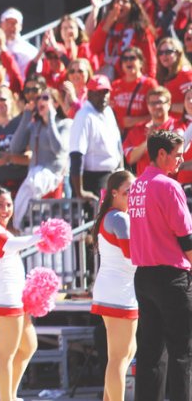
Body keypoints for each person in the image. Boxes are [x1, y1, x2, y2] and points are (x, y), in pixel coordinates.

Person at [129, 129, 192, 401]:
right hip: (171, 277)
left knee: (151, 353)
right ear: (161, 154)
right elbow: (186, 238)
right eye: (177, 155)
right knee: (182, 351)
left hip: (144, 276)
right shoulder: (168, 185)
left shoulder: (136, 186)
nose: (181, 160)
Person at [0, 188, 39, 401]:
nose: (5, 209)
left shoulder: (3, 229)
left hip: (15, 298)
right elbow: (8, 246)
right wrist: (41, 236)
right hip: (4, 299)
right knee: (6, 354)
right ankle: (5, 398)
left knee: (29, 346)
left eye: (9, 205)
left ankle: (9, 394)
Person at [91, 170, 137, 401]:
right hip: (118, 291)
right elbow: (133, 255)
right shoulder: (119, 218)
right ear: (114, 193)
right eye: (129, 192)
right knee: (120, 357)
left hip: (116, 289)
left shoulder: (115, 216)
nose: (133, 196)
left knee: (122, 354)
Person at [10, 87, 71, 231]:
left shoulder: (65, 124)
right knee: (32, 225)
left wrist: (50, 118)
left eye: (45, 98)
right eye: (39, 98)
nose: (40, 101)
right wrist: (26, 116)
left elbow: (59, 149)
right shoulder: (35, 126)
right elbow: (15, 147)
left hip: (56, 183)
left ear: (56, 104)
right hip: (35, 185)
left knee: (54, 227)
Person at [69, 75, 123, 204]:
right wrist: (80, 191)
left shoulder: (108, 111)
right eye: (98, 93)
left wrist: (121, 172)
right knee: (94, 222)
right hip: (91, 180)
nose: (103, 96)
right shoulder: (84, 116)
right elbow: (76, 155)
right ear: (90, 94)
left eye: (105, 92)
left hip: (110, 176)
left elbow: (117, 146)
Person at [124, 87, 183, 175]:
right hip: (146, 184)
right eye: (152, 103)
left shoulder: (178, 126)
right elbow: (130, 158)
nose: (156, 106)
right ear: (147, 106)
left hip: (172, 182)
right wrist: (148, 140)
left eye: (159, 102)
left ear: (169, 104)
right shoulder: (138, 129)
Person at [110, 46, 159, 132]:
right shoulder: (115, 85)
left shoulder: (150, 85)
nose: (128, 61)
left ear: (141, 63)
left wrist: (135, 121)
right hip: (119, 135)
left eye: (132, 58)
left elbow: (159, 113)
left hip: (142, 135)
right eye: (125, 59)